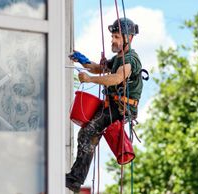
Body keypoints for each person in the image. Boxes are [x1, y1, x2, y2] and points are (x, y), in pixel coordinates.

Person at [66, 18, 143, 192]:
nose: (113, 40)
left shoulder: (130, 59)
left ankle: (75, 179)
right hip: (113, 105)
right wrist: (82, 60)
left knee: (88, 131)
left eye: (116, 36)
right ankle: (75, 178)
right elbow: (98, 68)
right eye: (112, 37)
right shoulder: (117, 59)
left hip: (122, 108)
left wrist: (90, 79)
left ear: (128, 38)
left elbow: (117, 78)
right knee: (87, 133)